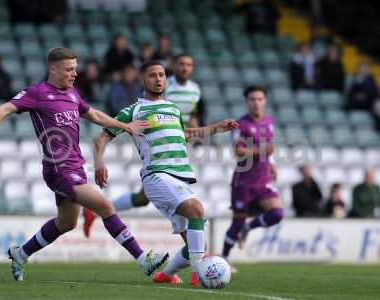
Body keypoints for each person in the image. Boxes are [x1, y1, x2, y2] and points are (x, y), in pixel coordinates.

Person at [0, 48, 168, 282]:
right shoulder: (37, 93)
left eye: (75, 68)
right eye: (69, 69)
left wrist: (126, 126)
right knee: (105, 206)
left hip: (76, 167)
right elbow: (7, 107)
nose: (75, 73)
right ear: (53, 69)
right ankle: (143, 259)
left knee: (66, 223)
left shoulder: (72, 93)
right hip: (58, 170)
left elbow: (95, 115)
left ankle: (21, 253)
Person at [91, 60, 237, 286]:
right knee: (196, 209)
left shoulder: (172, 108)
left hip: (180, 176)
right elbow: (102, 138)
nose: (158, 78)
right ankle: (200, 274)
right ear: (143, 79)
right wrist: (99, 163)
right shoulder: (134, 110)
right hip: (156, 175)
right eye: (152, 75)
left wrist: (217, 127)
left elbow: (185, 133)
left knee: (196, 246)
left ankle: (165, 275)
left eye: (161, 74)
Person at [83, 54, 204, 235]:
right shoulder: (165, 86)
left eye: (189, 64)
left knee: (142, 199)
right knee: (187, 211)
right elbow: (150, 107)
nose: (185, 68)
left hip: (173, 145)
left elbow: (188, 115)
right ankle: (200, 255)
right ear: (175, 67)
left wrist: (195, 126)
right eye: (181, 64)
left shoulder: (195, 90)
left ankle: (96, 210)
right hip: (157, 151)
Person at [221, 85, 283, 270]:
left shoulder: (269, 122)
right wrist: (262, 151)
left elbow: (269, 147)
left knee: (277, 213)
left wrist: (271, 162)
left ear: (265, 101)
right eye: (252, 99)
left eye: (259, 99)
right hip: (244, 181)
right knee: (237, 221)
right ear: (247, 102)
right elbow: (238, 151)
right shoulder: (241, 124)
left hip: (263, 177)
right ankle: (224, 258)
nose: (256, 103)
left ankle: (249, 228)